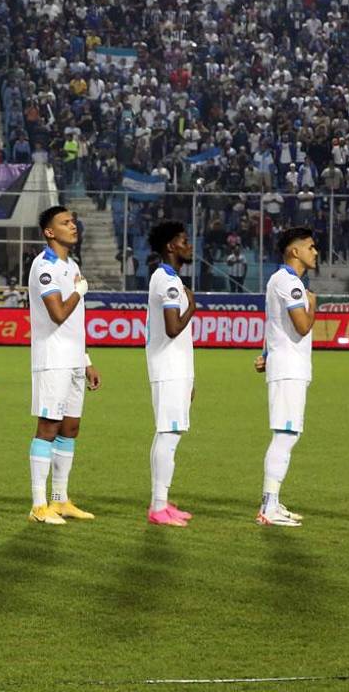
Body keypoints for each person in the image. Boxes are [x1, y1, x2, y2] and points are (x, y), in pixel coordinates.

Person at [27, 206, 101, 525]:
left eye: (73, 221)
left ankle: (60, 500)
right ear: (49, 232)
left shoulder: (72, 265)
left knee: (70, 428)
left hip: (73, 360)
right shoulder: (44, 266)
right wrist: (79, 291)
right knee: (48, 427)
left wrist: (86, 360)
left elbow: (74, 324)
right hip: (52, 359)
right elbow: (58, 314)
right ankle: (38, 505)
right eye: (65, 222)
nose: (73, 226)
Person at [253, 226, 318, 527]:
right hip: (290, 368)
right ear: (295, 251)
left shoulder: (280, 280)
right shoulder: (289, 282)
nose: (315, 252)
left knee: (287, 433)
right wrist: (313, 304)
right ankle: (268, 506)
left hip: (287, 365)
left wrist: (267, 356)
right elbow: (302, 326)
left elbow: (274, 325)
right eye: (310, 247)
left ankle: (273, 502)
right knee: (286, 434)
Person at [144, 221, 196, 527]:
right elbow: (173, 327)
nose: (189, 246)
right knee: (168, 434)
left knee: (169, 433)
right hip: (168, 370)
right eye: (184, 241)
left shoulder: (167, 278)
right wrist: (193, 306)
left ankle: (161, 502)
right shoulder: (168, 281)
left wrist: (190, 378)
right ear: (170, 246)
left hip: (176, 370)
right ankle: (158, 507)